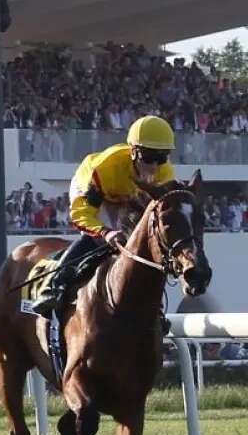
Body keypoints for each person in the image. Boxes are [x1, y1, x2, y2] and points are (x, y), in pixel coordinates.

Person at [29, 115, 178, 317]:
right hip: (95, 187)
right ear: (133, 152)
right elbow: (82, 214)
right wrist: (105, 232)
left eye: (161, 158)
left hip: (127, 196)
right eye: (148, 158)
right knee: (100, 240)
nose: (154, 167)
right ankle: (55, 285)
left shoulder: (165, 172)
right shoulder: (106, 169)